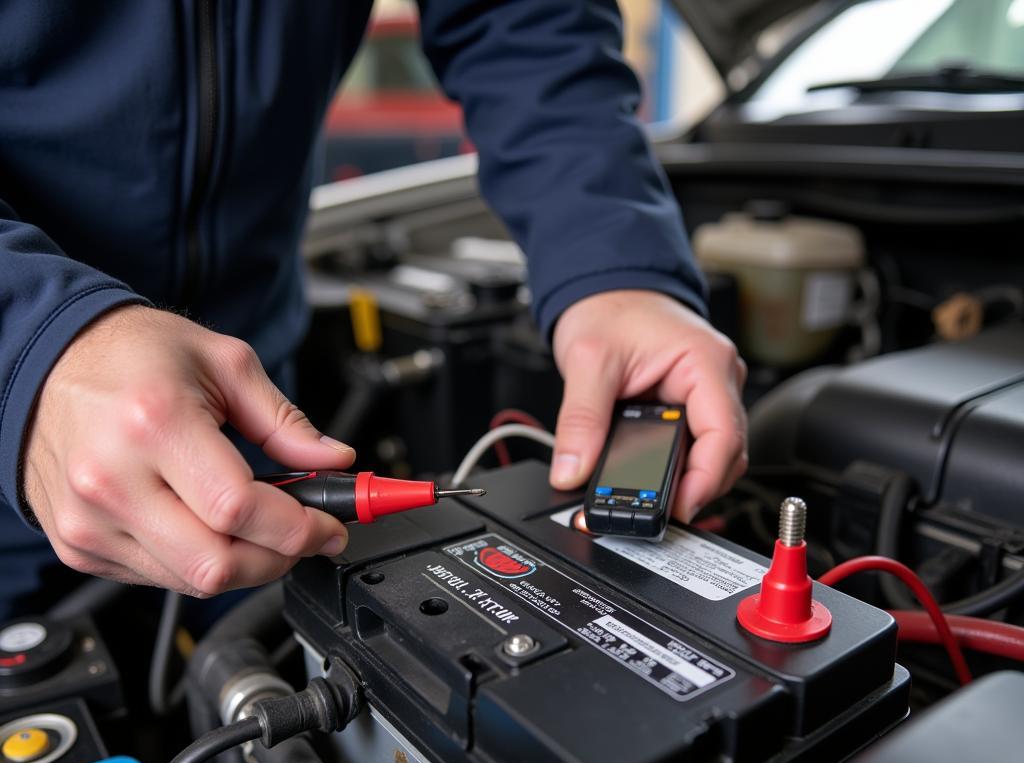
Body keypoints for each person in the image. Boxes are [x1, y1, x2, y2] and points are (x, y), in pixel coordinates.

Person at [0, 1, 747, 617]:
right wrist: (34, 347)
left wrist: (613, 265)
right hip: (26, 434)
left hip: (256, 421)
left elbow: (524, 21)